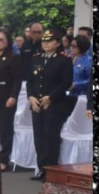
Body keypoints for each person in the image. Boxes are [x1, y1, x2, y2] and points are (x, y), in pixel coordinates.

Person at [28, 28, 74, 181]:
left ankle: (51, 170)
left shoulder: (64, 60)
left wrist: (51, 97)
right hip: (36, 103)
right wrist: (31, 97)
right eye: (44, 41)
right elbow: (30, 81)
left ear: (57, 43)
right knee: (39, 137)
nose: (45, 44)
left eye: (49, 41)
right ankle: (41, 169)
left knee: (50, 137)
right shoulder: (36, 58)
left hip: (54, 104)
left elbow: (66, 82)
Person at [0, 28, 23, 171]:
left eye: (1, 39)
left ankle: (4, 159)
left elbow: (17, 79)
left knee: (5, 129)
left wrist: (13, 96)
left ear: (8, 42)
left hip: (5, 97)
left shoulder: (13, 58)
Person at [68, 35, 92, 101]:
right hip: (66, 94)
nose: (71, 48)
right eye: (71, 45)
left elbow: (90, 81)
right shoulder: (68, 58)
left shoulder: (89, 61)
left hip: (81, 96)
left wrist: (75, 85)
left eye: (74, 46)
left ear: (81, 47)